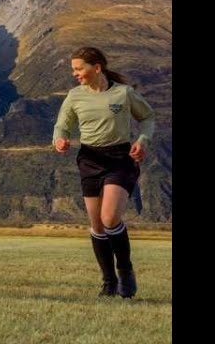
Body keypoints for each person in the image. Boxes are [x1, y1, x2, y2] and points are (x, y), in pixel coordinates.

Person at [53, 47, 156, 298]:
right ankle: (109, 282)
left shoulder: (124, 93)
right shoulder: (75, 96)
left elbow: (148, 117)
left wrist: (142, 141)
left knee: (110, 218)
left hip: (120, 159)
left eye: (79, 69)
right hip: (89, 160)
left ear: (96, 68)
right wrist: (60, 140)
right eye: (73, 70)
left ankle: (125, 272)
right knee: (97, 225)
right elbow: (62, 126)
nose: (75, 74)